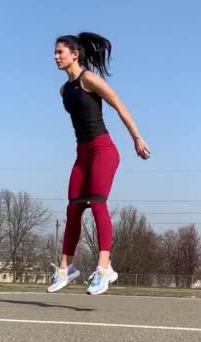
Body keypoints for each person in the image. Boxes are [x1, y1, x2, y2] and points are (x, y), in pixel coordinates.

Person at [47, 32, 150, 295]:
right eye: (55, 52)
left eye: (61, 52)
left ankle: (105, 267)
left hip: (103, 150)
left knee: (97, 203)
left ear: (75, 54)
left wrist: (136, 137)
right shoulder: (64, 90)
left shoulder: (89, 79)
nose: (56, 56)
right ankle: (66, 268)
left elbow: (118, 104)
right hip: (82, 153)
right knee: (73, 208)